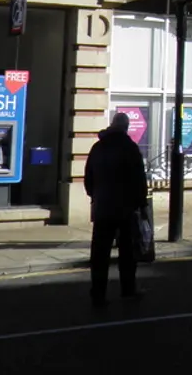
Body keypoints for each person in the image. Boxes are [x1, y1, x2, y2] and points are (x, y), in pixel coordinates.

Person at [83, 112, 148, 308]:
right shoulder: (130, 148)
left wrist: (96, 196)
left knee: (100, 254)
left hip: (102, 207)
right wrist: (141, 204)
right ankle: (128, 290)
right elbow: (139, 180)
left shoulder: (98, 147)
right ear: (126, 128)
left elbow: (88, 179)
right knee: (127, 253)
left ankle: (98, 293)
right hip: (125, 209)